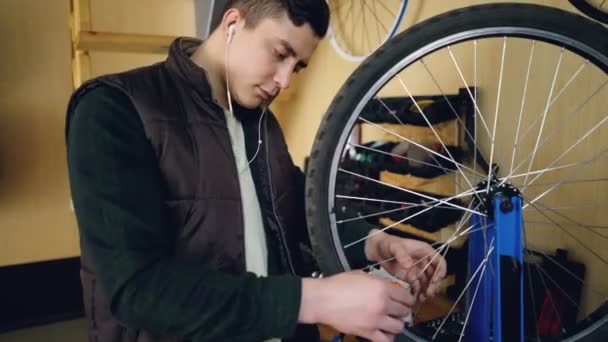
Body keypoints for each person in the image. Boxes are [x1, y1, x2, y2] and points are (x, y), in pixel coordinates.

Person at [65, 1, 447, 341]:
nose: (284, 81)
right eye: (280, 54)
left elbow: (301, 214)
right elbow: (137, 290)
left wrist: (376, 244)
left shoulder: (260, 124)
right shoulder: (112, 108)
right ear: (233, 22)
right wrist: (313, 300)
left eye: (296, 66)